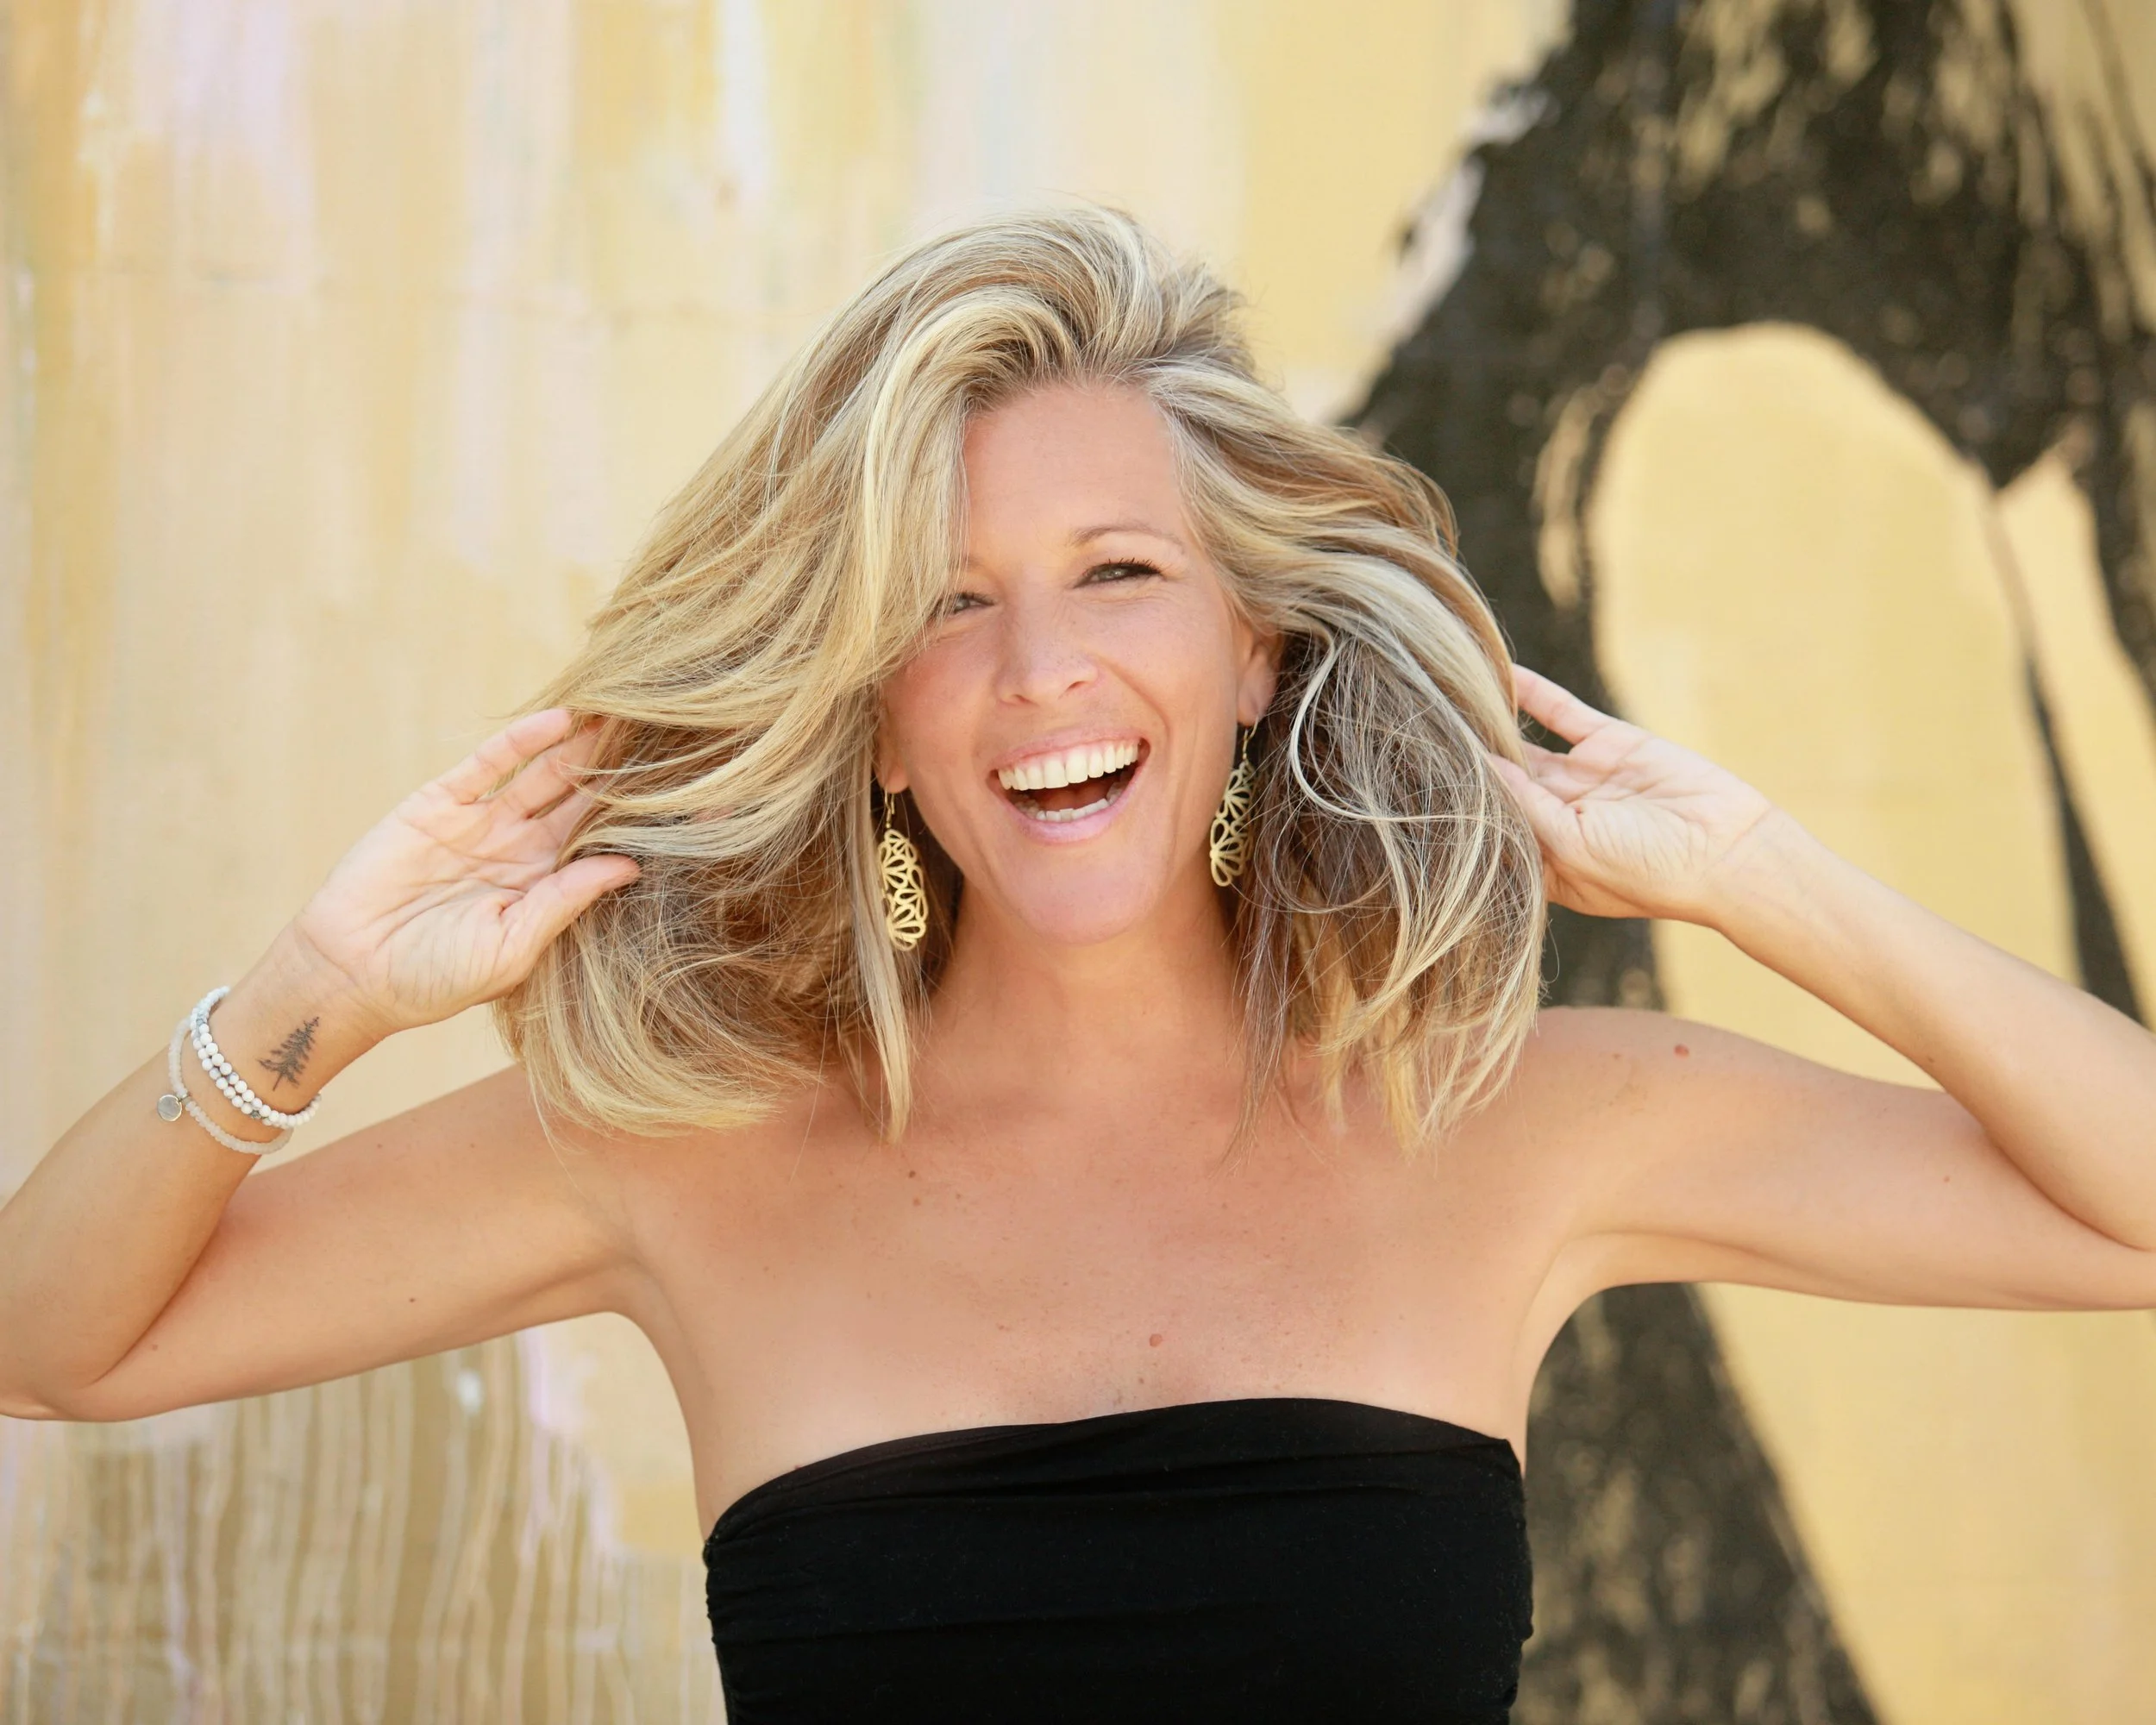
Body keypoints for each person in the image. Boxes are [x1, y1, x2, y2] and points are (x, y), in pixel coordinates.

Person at [4, 205, 2153, 1724]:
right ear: (865, 703)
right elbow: (56, 1341)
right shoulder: (678, 1148)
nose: (1037, 672)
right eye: (942, 605)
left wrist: (1765, 878)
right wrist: (322, 986)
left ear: (1250, 644)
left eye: (1117, 572)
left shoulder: (1509, 1111)